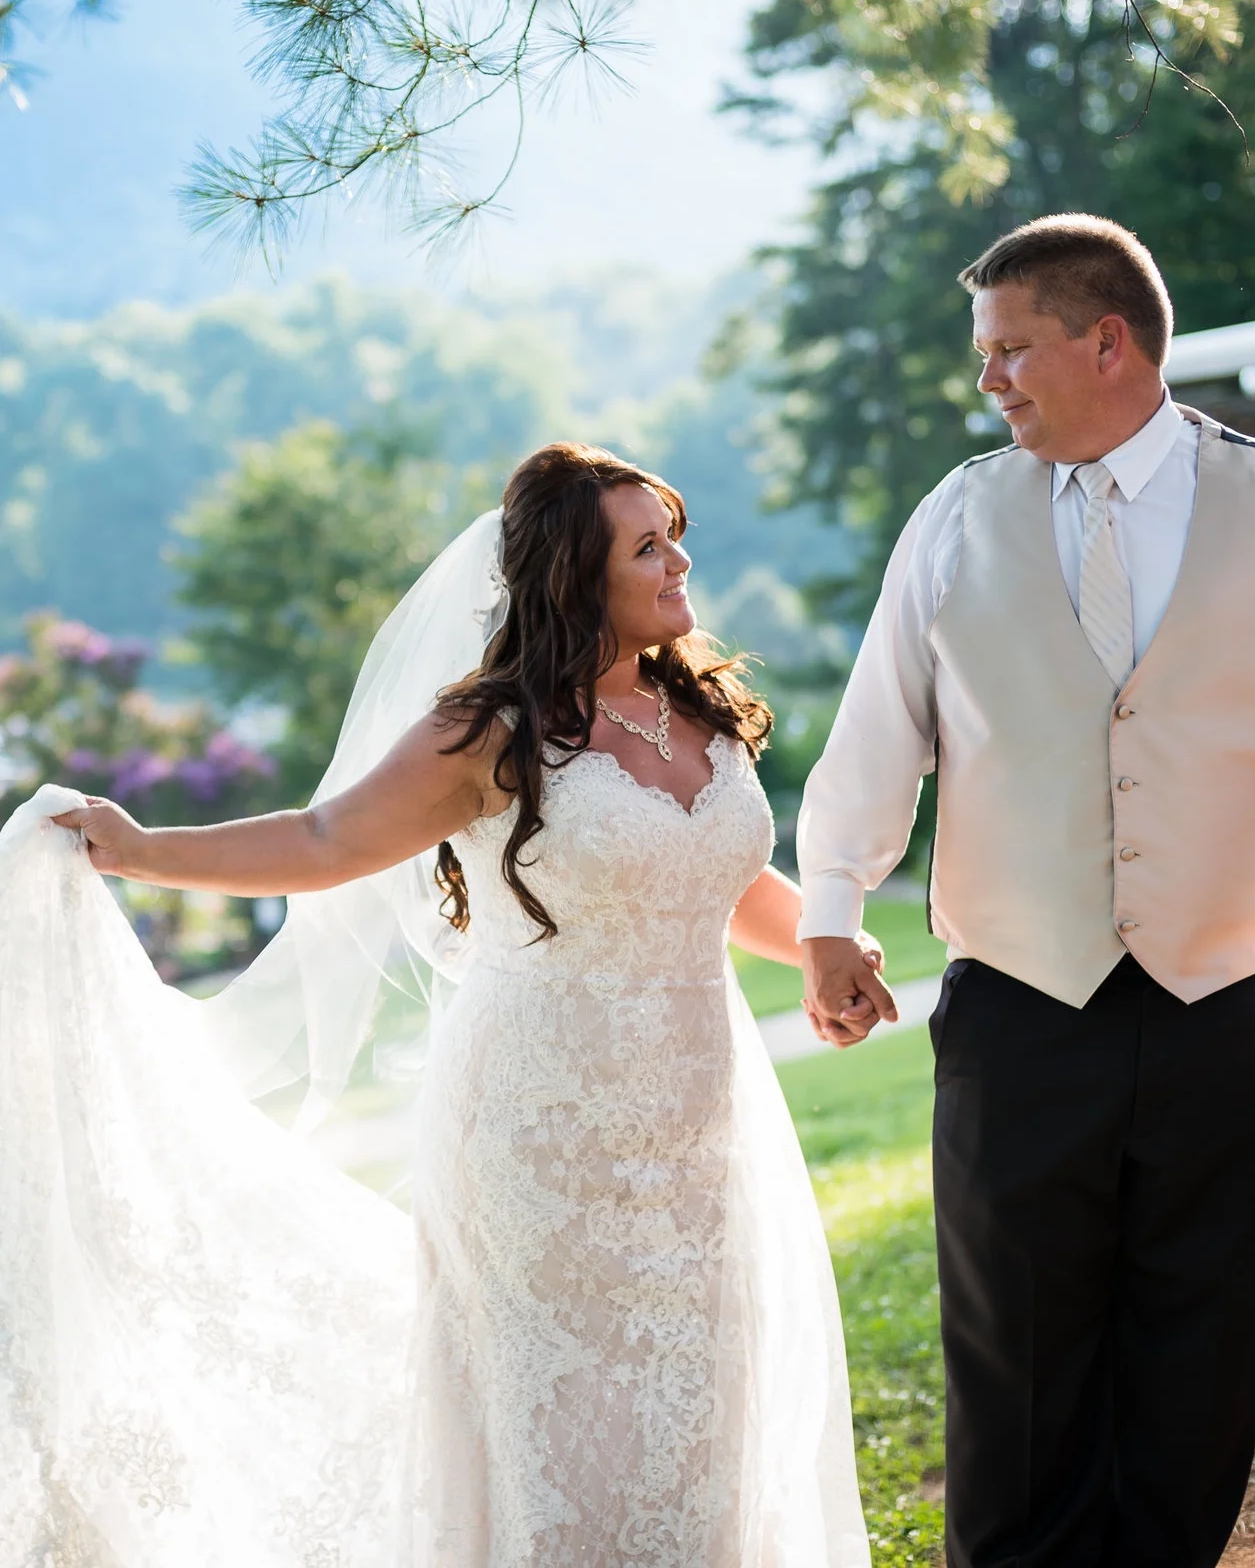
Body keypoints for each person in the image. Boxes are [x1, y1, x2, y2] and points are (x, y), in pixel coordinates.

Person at [0, 442, 872, 1567]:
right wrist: (144, 849)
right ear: (574, 575)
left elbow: (725, 873)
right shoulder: (491, 730)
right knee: (552, 1429)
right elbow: (325, 839)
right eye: (648, 546)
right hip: (533, 1132)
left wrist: (823, 947)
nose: (680, 561)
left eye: (673, 534)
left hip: (701, 1125)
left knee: (698, 1403)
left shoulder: (692, 706)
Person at [795, 215, 1255, 1568]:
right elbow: (875, 736)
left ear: (1108, 343)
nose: (990, 383)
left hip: (1236, 1004)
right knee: (1013, 1371)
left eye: (1009, 350)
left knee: (1200, 1359)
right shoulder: (955, 517)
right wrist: (832, 912)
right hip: (1021, 1010)